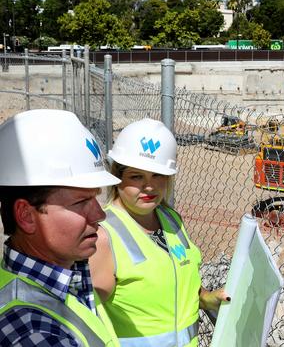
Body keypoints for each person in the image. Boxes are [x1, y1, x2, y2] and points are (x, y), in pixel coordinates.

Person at [89, 118, 228, 347]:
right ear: (117, 176)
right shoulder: (103, 236)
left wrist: (205, 298)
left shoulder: (171, 220)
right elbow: (89, 321)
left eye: (157, 175)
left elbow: (177, 283)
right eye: (136, 176)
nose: (150, 186)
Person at [0, 109, 121, 346]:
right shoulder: (31, 332)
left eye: (95, 198)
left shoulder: (69, 272)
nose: (99, 214)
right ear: (26, 216)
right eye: (81, 202)